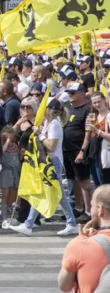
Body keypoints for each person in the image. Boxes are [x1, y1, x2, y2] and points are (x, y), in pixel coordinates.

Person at [8, 99, 79, 237]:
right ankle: (71, 223)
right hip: (46, 161)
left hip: (53, 162)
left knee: (49, 192)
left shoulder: (54, 124)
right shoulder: (47, 122)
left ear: (49, 109)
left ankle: (29, 224)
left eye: (42, 107)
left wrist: (39, 134)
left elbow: (51, 146)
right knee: (56, 194)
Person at [64, 83, 92, 218]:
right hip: (67, 149)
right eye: (69, 93)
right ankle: (79, 207)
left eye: (72, 93)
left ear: (81, 93)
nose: (70, 95)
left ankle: (89, 210)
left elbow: (88, 132)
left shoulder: (87, 109)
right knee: (72, 180)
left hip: (78, 150)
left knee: (83, 180)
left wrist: (83, 150)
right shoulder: (68, 108)